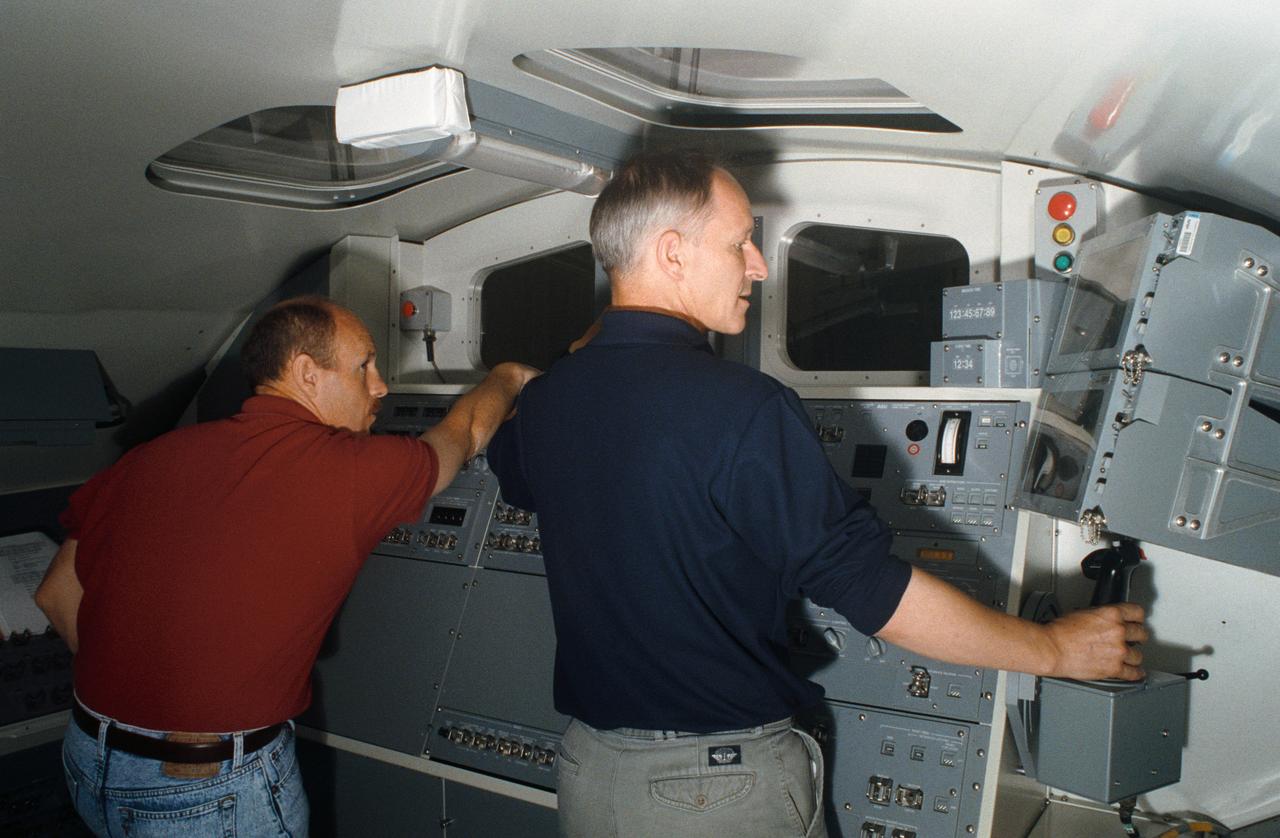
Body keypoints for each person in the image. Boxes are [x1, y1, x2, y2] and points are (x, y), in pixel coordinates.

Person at [485, 152, 1148, 838]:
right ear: (673, 253)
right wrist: (1053, 650)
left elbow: (520, 471)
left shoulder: (550, 403)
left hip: (592, 775)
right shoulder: (744, 408)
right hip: (714, 790)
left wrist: (582, 354)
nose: (759, 266)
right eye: (739, 241)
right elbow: (873, 594)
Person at [35, 296, 536, 837]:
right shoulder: (347, 471)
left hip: (88, 758)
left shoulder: (148, 457)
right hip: (209, 789)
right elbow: (462, 436)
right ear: (305, 372)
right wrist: (506, 378)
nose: (381, 386)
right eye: (364, 365)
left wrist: (144, 699)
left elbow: (57, 593)